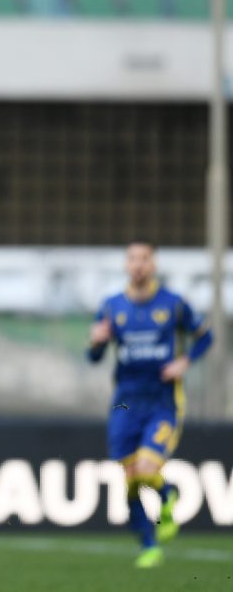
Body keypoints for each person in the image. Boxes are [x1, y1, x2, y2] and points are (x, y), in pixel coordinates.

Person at [87, 241, 212, 568]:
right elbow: (94, 357)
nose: (138, 265)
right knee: (129, 479)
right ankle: (148, 545)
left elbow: (206, 336)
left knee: (145, 468)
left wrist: (185, 361)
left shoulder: (173, 304)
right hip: (125, 402)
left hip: (162, 400)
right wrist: (96, 342)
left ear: (153, 264)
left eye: (144, 258)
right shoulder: (112, 306)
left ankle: (167, 495)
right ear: (126, 265)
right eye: (132, 259)